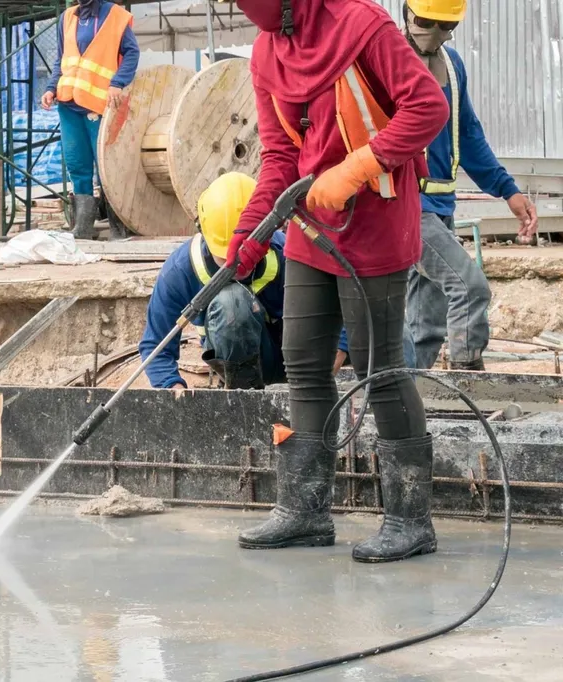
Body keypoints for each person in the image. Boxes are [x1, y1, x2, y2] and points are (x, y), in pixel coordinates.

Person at [229, 0, 449, 563]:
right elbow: (280, 155)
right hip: (308, 224)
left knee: (378, 368)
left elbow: (428, 107)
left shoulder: (362, 26)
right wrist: (252, 230)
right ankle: (304, 511)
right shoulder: (267, 50)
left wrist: (355, 168)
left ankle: (409, 519)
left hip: (374, 219)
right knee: (303, 360)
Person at [402, 0, 538, 371]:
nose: (436, 33)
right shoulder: (389, 61)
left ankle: (415, 395)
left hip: (441, 207)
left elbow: (468, 133)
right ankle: (468, 381)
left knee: (425, 326)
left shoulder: (451, 64)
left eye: (445, 27)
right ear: (407, 12)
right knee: (469, 286)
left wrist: (507, 189)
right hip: (406, 207)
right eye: (427, 22)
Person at [139, 173, 286, 391]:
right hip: (238, 368)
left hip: (295, 361)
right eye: (225, 257)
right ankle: (243, 396)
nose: (237, 266)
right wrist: (173, 388)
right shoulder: (181, 270)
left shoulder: (286, 254)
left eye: (247, 256)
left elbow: (335, 309)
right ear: (204, 233)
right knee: (232, 303)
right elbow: (156, 345)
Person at [41, 0, 139, 241]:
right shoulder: (68, 17)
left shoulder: (116, 16)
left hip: (98, 106)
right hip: (68, 103)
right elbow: (62, 59)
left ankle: (119, 226)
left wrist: (118, 83)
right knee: (77, 164)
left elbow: (132, 53)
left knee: (106, 167)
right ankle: (84, 227)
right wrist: (51, 87)